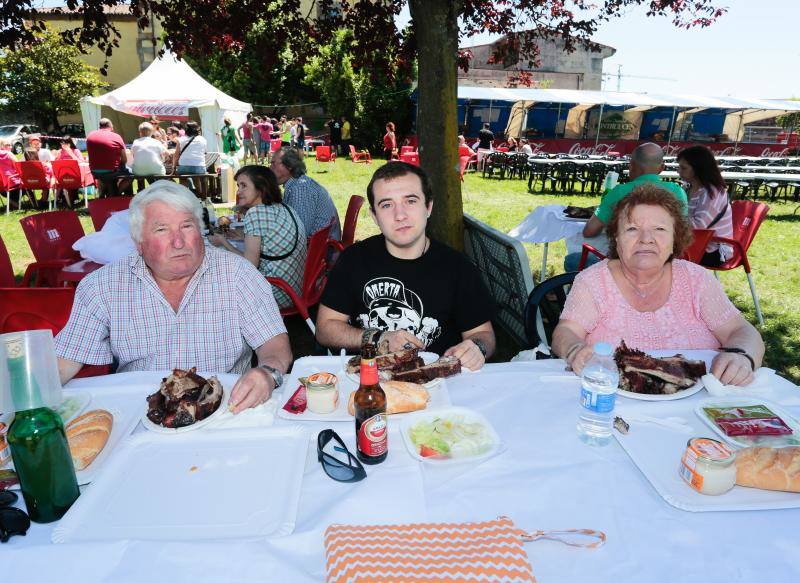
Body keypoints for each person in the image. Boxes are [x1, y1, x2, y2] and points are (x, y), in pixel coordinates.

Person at [55, 180, 292, 412]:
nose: (178, 242)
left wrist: (267, 373)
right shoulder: (102, 286)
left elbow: (275, 345)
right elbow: (63, 364)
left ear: (200, 230)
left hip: (225, 409)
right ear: (139, 243)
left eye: (187, 226)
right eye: (161, 230)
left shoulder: (238, 275)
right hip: (138, 416)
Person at [552, 183, 764, 386]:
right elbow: (566, 331)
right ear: (616, 237)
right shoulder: (593, 281)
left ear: (675, 238)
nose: (646, 239)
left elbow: (741, 330)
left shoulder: (696, 280)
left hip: (696, 408)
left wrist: (741, 356)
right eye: (632, 229)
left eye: (660, 229)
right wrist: (574, 350)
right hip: (613, 404)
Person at [315, 162, 496, 370]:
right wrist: (377, 338)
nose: (400, 215)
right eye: (386, 205)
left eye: (410, 201)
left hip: (437, 384)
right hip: (368, 382)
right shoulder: (353, 259)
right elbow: (325, 328)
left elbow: (483, 334)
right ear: (374, 216)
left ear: (428, 207)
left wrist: (476, 347)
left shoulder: (457, 267)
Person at [565, 142, 687, 271]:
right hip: (666, 263)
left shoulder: (619, 192)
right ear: (662, 168)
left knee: (572, 260)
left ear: (631, 165)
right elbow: (681, 231)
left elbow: (589, 231)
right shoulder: (678, 192)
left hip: (625, 266)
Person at [209, 165, 306, 310]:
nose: (238, 191)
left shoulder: (256, 213)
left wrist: (223, 242)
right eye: (238, 186)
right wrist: (243, 237)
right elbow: (273, 240)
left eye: (244, 186)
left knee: (217, 278)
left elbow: (249, 265)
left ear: (260, 187)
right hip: (295, 288)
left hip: (276, 292)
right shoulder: (283, 207)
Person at [676, 145, 734, 267]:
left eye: (683, 168)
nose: (679, 171)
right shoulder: (689, 188)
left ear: (698, 169)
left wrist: (669, 218)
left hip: (714, 251)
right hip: (694, 244)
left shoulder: (713, 193)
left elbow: (698, 227)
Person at [270, 147, 341, 240]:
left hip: (321, 251)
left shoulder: (300, 189)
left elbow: (299, 234)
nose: (270, 168)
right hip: (319, 247)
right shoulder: (296, 185)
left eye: (273, 163)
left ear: (289, 166)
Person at [86, 118, 133, 197]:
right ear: (111, 126)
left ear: (100, 126)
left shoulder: (90, 135)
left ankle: (106, 194)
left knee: (106, 176)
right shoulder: (116, 136)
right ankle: (117, 194)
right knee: (131, 174)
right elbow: (124, 160)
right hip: (111, 171)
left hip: (94, 171)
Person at [172, 121, 208, 193]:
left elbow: (176, 155)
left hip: (184, 167)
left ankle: (183, 195)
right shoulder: (202, 139)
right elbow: (205, 153)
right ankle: (200, 195)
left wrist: (174, 167)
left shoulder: (181, 140)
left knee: (183, 179)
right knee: (197, 177)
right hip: (199, 167)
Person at [54, 136, 85, 208]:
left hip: (75, 174)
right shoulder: (60, 152)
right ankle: (57, 201)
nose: (63, 146)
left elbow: (81, 162)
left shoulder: (75, 151)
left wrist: (71, 153)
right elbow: (57, 163)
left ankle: (69, 200)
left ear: (69, 144)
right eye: (61, 144)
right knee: (57, 179)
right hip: (63, 175)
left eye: (64, 144)